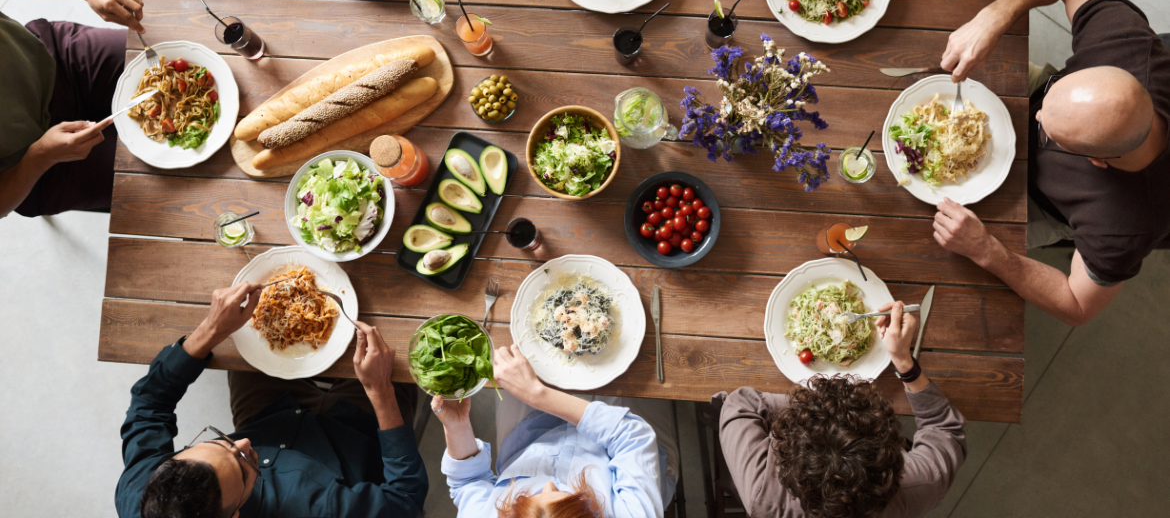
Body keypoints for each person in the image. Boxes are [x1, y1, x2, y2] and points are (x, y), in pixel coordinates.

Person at [934, 0, 1170, 326]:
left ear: (1097, 161)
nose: (1035, 115)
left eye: (1047, 130)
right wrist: (994, 17)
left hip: (1042, 201)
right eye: (1047, 106)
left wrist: (988, 251)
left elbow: (1077, 305)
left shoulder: (1123, 228)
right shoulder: (1127, 46)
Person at [116, 278, 428, 518]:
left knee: (253, 329)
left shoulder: (141, 491)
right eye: (242, 466)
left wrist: (210, 329)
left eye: (218, 442)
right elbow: (405, 500)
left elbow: (149, 406)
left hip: (268, 415)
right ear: (235, 513)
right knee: (405, 333)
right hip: (357, 433)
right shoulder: (320, 510)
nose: (243, 444)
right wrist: (380, 391)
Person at [718, 302, 966, 518]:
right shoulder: (921, 484)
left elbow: (740, 404)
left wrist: (806, 409)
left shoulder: (761, 492)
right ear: (892, 458)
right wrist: (904, 362)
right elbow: (944, 429)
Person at [432, 344, 678, 518]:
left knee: (511, 352)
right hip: (623, 449)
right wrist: (537, 394)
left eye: (528, 499)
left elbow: (468, 482)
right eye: (567, 496)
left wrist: (457, 426)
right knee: (639, 356)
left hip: (530, 437)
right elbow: (632, 436)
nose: (548, 484)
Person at [0, 0, 145, 219]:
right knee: (161, 185)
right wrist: (40, 157)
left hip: (59, 59)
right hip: (35, 164)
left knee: (170, 63)